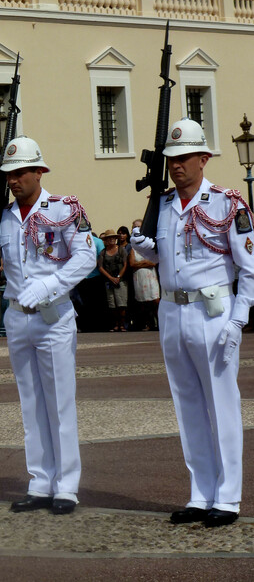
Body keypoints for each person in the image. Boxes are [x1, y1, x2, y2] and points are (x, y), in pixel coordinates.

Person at [131, 118, 254, 528]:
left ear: (204, 158)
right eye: (172, 159)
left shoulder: (227, 202)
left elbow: (249, 268)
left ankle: (229, 497)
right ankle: (201, 493)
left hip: (214, 312)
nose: (176, 166)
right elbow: (167, 260)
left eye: (184, 158)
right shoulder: (164, 206)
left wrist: (239, 321)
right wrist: (146, 251)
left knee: (222, 405)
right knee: (188, 408)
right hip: (172, 312)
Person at [0, 136, 95, 515]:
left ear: (40, 171)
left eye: (22, 171)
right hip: (17, 318)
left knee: (59, 403)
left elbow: (86, 257)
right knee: (31, 404)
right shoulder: (2, 218)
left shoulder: (63, 210)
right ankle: (40, 481)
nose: (14, 179)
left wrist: (51, 284)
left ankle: (67, 485)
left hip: (53, 315)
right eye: (9, 173)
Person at [127, 218, 159, 331]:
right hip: (139, 278)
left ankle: (159, 323)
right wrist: (145, 263)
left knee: (155, 301)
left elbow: (153, 262)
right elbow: (132, 263)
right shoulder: (133, 248)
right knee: (143, 303)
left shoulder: (150, 244)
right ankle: (148, 323)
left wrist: (143, 263)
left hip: (150, 276)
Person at [97, 233, 128, 331]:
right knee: (112, 304)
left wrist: (118, 277)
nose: (111, 240)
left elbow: (125, 264)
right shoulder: (103, 252)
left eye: (113, 238)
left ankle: (122, 324)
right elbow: (100, 267)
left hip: (121, 280)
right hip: (108, 281)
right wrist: (110, 278)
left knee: (121, 303)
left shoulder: (121, 250)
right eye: (109, 238)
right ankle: (116, 324)